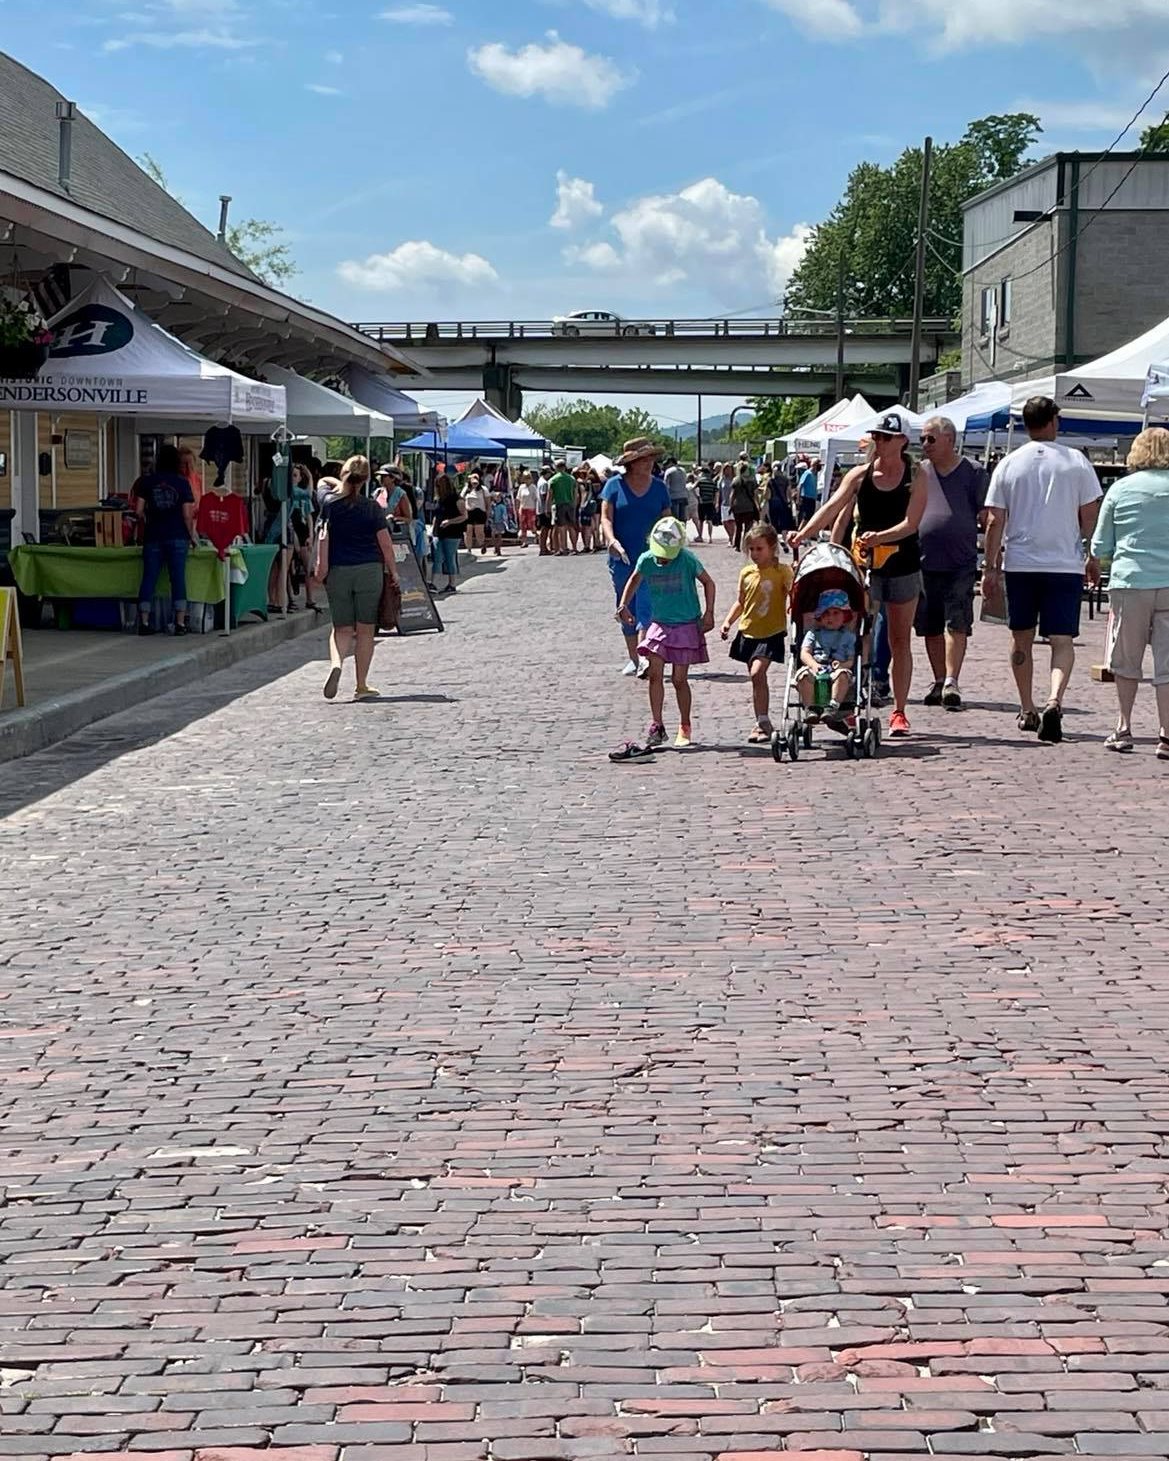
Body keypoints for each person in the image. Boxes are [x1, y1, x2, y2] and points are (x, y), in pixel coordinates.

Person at [792, 411, 926, 738]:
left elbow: (912, 523)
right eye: (877, 436)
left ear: (902, 441)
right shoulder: (860, 474)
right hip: (864, 566)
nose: (879, 442)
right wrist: (804, 533)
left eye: (886, 437)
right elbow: (832, 508)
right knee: (858, 634)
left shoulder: (916, 475)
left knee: (899, 639)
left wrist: (880, 537)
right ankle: (849, 704)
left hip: (902, 564)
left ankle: (899, 711)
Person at [984, 396, 1102, 744]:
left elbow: (994, 520)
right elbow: (1090, 514)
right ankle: (1055, 700)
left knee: (1021, 637)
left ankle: (1027, 707)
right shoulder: (1076, 461)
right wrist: (1090, 551)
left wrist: (991, 567)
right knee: (1061, 640)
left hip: (1020, 562)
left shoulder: (1009, 464)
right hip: (1063, 563)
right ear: (1053, 421)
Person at [1088, 427, 1169, 756]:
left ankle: (1124, 727)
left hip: (1131, 582)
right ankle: (1166, 732)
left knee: (1126, 659)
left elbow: (1100, 544)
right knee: (1167, 663)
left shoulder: (1121, 489)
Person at [616, 516, 716, 749]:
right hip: (659, 623)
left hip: (685, 624)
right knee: (654, 673)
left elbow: (709, 583)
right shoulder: (647, 560)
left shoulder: (687, 560)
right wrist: (623, 605)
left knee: (679, 680)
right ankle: (657, 724)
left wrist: (709, 613)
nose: (662, 558)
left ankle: (685, 724)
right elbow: (634, 579)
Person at [915, 416, 989, 710]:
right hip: (923, 560)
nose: (925, 445)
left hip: (960, 561)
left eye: (930, 439)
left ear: (949, 439)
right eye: (922, 439)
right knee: (930, 625)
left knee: (956, 622)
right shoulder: (920, 472)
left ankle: (951, 681)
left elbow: (986, 513)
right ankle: (938, 679)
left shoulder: (973, 472)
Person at [313, 454, 398, 703]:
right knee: (365, 630)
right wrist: (393, 572)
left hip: (338, 570)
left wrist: (339, 481)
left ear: (344, 474)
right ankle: (361, 684)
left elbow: (321, 482)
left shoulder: (328, 503)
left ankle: (337, 664)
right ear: (367, 479)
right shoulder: (372, 508)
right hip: (369, 570)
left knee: (341, 628)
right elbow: (386, 545)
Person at [601, 436, 673, 676]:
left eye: (651, 458)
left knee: (647, 605)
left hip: (652, 557)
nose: (649, 463)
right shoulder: (614, 485)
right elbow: (606, 518)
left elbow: (667, 519)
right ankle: (634, 657)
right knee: (626, 605)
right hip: (622, 557)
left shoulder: (660, 487)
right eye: (644, 459)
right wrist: (611, 540)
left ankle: (645, 656)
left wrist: (670, 544)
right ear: (631, 463)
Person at [720, 522, 794, 742]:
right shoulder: (746, 573)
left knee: (757, 673)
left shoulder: (782, 571)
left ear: (772, 548)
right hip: (749, 632)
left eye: (759, 548)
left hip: (772, 632)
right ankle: (762, 721)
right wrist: (728, 622)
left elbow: (792, 593)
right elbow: (741, 602)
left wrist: (793, 603)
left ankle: (762, 721)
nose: (754, 554)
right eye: (751, 549)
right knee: (756, 679)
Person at [135, 443, 198, 636]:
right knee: (177, 578)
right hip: (178, 536)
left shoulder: (147, 482)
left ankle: (144, 622)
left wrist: (148, 519)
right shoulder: (182, 483)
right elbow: (187, 515)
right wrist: (192, 536)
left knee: (149, 578)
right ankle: (179, 623)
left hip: (153, 536)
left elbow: (138, 511)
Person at [797, 589, 858, 732]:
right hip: (815, 668)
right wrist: (813, 664)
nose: (830, 617)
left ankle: (832, 707)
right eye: (826, 614)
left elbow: (851, 659)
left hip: (836, 669)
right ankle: (811, 708)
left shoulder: (848, 636)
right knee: (803, 676)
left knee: (843, 675)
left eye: (836, 613)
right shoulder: (813, 634)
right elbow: (804, 653)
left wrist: (842, 665)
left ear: (845, 616)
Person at [432, 474, 466, 594]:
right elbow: (436, 515)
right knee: (437, 557)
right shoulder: (439, 499)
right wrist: (433, 528)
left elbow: (464, 516)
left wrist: (450, 521)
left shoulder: (457, 499)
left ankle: (452, 583)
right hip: (439, 531)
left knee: (449, 557)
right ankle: (433, 583)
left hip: (452, 533)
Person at [548, 459, 578, 556]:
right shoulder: (572, 479)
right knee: (571, 527)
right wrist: (575, 504)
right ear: (565, 467)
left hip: (559, 504)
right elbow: (575, 493)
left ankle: (563, 548)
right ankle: (574, 548)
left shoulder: (553, 480)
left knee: (561, 528)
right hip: (570, 504)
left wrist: (547, 507)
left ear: (556, 468)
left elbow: (550, 495)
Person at [730, 454, 759, 550]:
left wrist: (731, 505)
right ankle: (745, 545)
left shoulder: (736, 480)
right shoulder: (751, 481)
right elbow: (755, 495)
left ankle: (737, 545)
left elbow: (732, 494)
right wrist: (757, 506)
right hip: (749, 506)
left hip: (737, 506)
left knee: (738, 527)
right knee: (747, 527)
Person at [461, 473, 488, 552]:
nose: (474, 483)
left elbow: (487, 502)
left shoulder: (483, 489)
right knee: (468, 531)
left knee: (479, 531)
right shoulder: (466, 489)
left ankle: (481, 544)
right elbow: (461, 498)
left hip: (480, 512)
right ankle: (469, 548)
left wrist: (487, 512)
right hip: (469, 512)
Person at [695, 461, 719, 543]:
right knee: (709, 520)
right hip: (710, 502)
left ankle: (700, 536)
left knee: (700, 520)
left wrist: (697, 497)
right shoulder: (712, 482)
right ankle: (710, 537)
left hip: (702, 502)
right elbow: (716, 492)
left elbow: (693, 488)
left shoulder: (700, 481)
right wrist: (715, 502)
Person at [577, 469, 600, 552]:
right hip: (596, 505)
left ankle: (587, 545)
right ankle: (596, 543)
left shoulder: (586, 483)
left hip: (587, 506)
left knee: (587, 527)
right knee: (595, 527)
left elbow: (584, 494)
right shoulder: (598, 482)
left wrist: (581, 506)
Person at [663, 455, 689, 523]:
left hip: (673, 496)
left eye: (667, 463)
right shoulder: (683, 470)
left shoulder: (669, 471)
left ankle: (676, 533)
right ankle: (683, 532)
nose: (666, 466)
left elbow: (665, 485)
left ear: (671, 462)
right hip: (683, 496)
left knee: (675, 518)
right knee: (683, 518)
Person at [515, 469, 537, 548]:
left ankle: (537, 536)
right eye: (525, 478)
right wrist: (517, 508)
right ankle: (524, 542)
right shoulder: (521, 487)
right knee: (523, 526)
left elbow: (536, 499)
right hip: (523, 508)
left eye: (528, 478)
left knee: (531, 525)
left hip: (531, 508)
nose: (527, 480)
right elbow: (518, 498)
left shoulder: (533, 487)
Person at [535, 465, 553, 555]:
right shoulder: (544, 483)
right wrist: (548, 508)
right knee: (544, 529)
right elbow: (544, 496)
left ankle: (544, 547)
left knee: (544, 529)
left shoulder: (539, 481)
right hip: (543, 509)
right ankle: (543, 548)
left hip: (540, 509)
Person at [797, 458, 820, 525]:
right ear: (814, 465)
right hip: (806, 498)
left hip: (812, 499)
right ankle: (800, 531)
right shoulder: (807, 473)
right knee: (806, 517)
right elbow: (800, 485)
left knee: (810, 517)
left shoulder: (815, 474)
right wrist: (798, 499)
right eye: (818, 464)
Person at [717, 461, 736, 544]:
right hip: (724, 503)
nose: (728, 471)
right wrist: (717, 502)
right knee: (725, 521)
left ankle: (732, 538)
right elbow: (718, 492)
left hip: (733, 503)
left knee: (732, 521)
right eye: (726, 469)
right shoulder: (721, 480)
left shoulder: (734, 479)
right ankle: (730, 536)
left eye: (729, 469)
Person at [488, 489, 508, 557]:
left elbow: (504, 514)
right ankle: (495, 547)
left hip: (500, 522)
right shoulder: (492, 505)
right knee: (493, 535)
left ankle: (498, 549)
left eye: (499, 497)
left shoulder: (502, 506)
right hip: (493, 522)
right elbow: (490, 512)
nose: (497, 498)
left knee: (499, 536)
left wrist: (504, 520)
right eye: (496, 497)